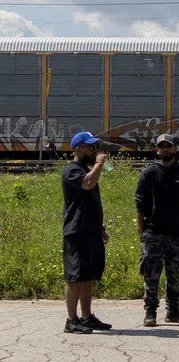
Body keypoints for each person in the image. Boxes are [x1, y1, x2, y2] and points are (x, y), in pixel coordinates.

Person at [135, 133, 179, 327]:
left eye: (168, 146)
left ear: (175, 149)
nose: (165, 150)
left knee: (174, 273)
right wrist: (141, 230)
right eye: (161, 146)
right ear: (157, 149)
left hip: (177, 232)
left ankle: (173, 311)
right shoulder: (148, 173)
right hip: (153, 231)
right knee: (151, 274)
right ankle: (150, 312)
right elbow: (139, 202)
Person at [62, 131, 112, 334]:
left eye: (95, 146)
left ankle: (87, 316)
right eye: (90, 147)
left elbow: (91, 201)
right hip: (76, 231)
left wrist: (100, 228)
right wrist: (99, 163)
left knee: (87, 275)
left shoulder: (87, 169)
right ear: (77, 149)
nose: (94, 150)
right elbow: (87, 184)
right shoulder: (72, 170)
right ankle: (71, 320)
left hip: (90, 230)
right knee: (75, 276)